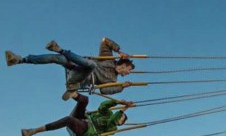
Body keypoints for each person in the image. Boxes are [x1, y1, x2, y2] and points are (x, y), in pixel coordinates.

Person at [5, 37, 135, 100]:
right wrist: (118, 50)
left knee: (92, 65)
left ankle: (61, 50)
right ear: (124, 65)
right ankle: (19, 60)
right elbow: (104, 40)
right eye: (129, 70)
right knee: (56, 59)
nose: (128, 73)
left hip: (81, 78)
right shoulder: (108, 59)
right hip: (76, 66)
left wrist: (121, 86)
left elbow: (105, 91)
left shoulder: (113, 79)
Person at [21, 91, 134, 136]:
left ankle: (34, 131)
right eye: (120, 116)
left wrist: (124, 109)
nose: (119, 117)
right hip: (83, 118)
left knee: (68, 120)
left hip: (86, 130)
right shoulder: (109, 114)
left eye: (121, 119)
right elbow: (102, 107)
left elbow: (112, 122)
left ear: (120, 123)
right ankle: (73, 93)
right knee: (85, 100)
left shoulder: (113, 129)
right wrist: (117, 102)